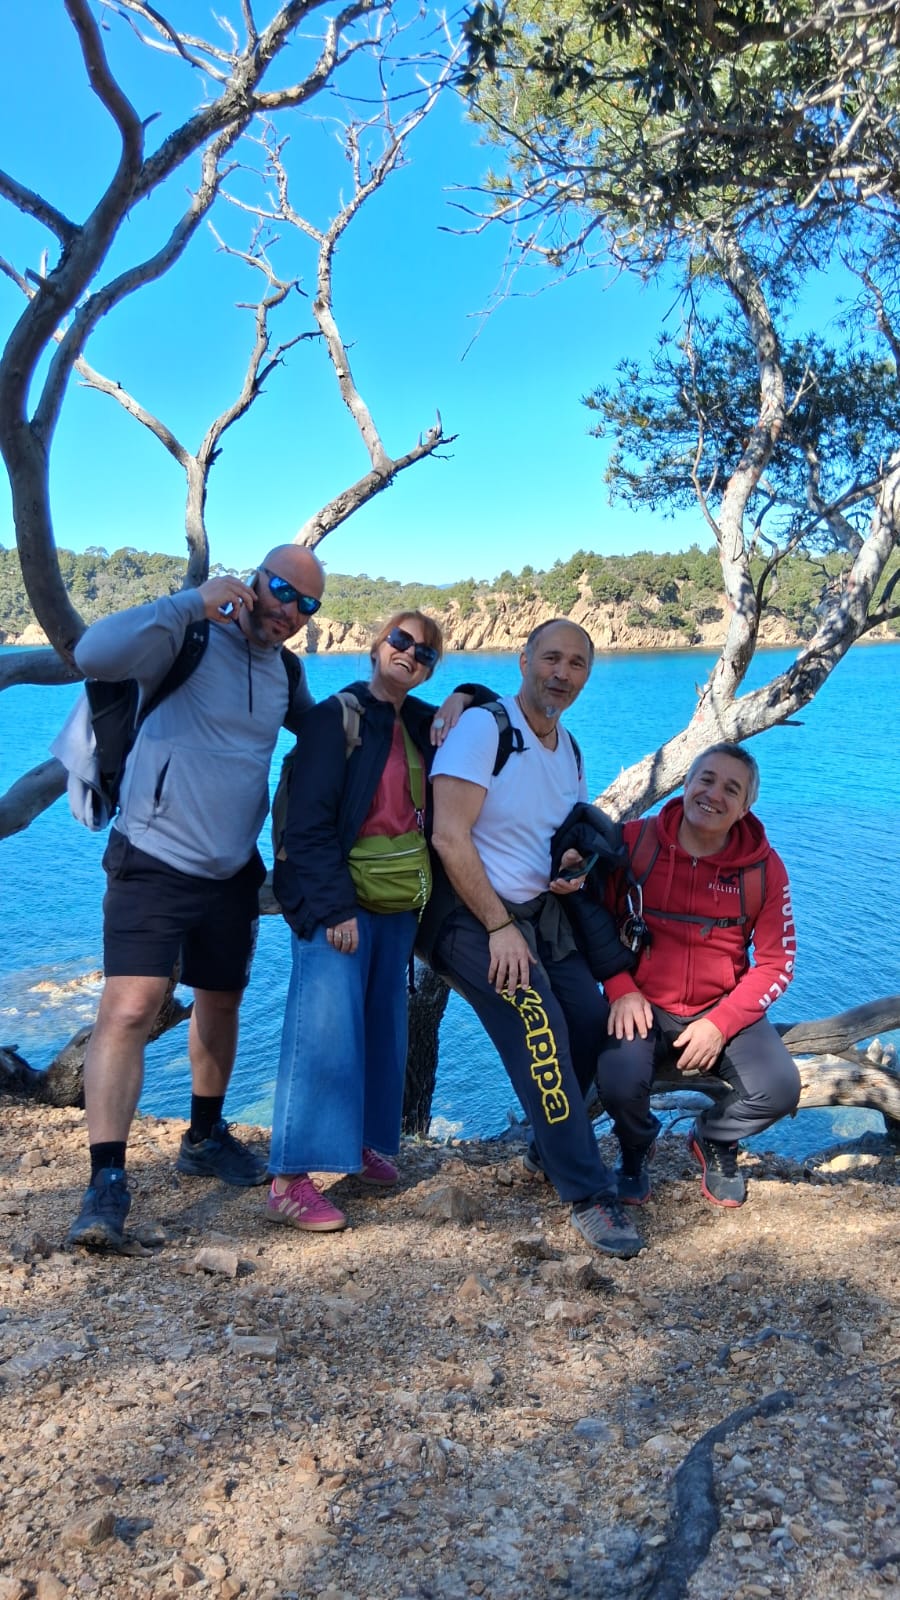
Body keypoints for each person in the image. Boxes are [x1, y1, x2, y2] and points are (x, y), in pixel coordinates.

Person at [67, 546, 325, 1250]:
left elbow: (331, 730)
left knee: (221, 1001)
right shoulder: (189, 636)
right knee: (129, 1008)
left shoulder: (286, 674)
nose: (290, 610)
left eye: (307, 604)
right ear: (255, 579)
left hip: (232, 868)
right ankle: (106, 1181)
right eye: (282, 589)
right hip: (152, 856)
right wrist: (189, 602)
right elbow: (92, 653)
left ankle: (204, 1138)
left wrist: (451, 708)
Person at [427, 619, 644, 1260]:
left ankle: (550, 1148)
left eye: (576, 664)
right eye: (551, 658)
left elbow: (550, 832)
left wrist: (571, 864)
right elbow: (448, 836)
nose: (562, 673)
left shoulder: (568, 749)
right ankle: (587, 1191)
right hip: (471, 918)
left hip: (538, 915)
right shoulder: (483, 730)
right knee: (540, 1029)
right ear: (523, 661)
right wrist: (498, 927)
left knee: (593, 1023)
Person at [267, 611, 465, 1231]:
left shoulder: (419, 721)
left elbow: (491, 708)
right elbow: (307, 825)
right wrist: (333, 909)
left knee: (382, 1027)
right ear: (378, 646)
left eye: (425, 653)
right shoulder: (336, 718)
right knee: (323, 1033)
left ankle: (359, 1146)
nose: (410, 654)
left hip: (397, 899)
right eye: (401, 641)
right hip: (340, 903)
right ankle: (288, 1180)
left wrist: (463, 695)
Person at [597, 742, 800, 1208]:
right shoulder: (634, 843)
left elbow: (777, 962)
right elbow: (595, 922)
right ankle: (636, 1146)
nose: (714, 794)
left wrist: (720, 1023)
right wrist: (620, 987)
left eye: (732, 789)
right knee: (616, 1081)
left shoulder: (763, 869)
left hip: (721, 1005)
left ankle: (713, 1135)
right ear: (685, 783)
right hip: (642, 1002)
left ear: (745, 807)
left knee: (780, 1089)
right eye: (706, 779)